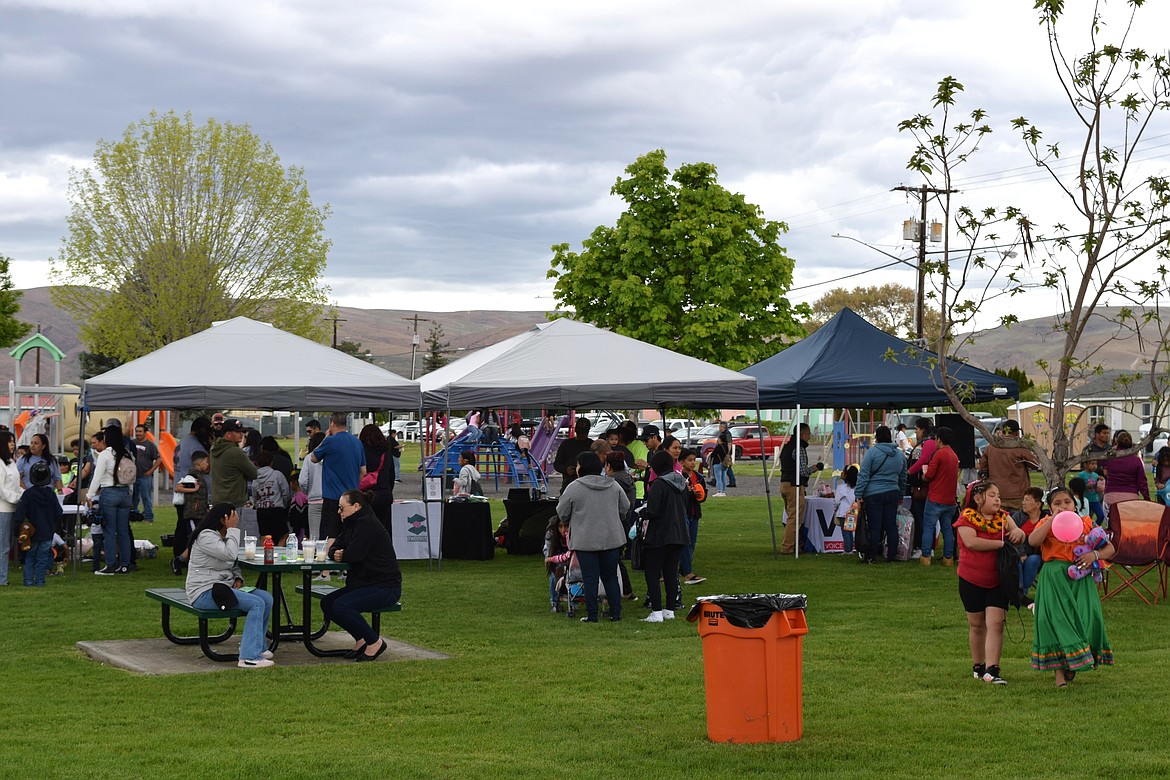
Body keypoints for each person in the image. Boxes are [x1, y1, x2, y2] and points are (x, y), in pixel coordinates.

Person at [1028, 486, 1114, 687]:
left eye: (1067, 502)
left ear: (1075, 505)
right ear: (1049, 508)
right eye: (1056, 503)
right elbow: (1032, 540)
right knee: (1057, 621)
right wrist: (1050, 521)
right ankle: (1059, 676)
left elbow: (1110, 548)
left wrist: (1095, 555)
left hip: (1080, 577)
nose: (1063, 506)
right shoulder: (1046, 523)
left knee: (1087, 617)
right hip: (1054, 578)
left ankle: (1074, 660)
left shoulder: (1086, 523)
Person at [185, 503, 276, 669]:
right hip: (204, 593)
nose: (237, 521)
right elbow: (230, 553)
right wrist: (233, 529)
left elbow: (231, 563)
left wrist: (238, 577)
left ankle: (257, 646)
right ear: (223, 519)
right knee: (256, 603)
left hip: (223, 588)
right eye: (233, 518)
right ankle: (249, 657)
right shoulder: (206, 536)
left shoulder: (223, 537)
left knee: (266, 598)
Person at [954, 480, 1026, 685]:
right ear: (977, 499)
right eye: (992, 495)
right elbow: (971, 542)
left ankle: (992, 669)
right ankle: (978, 665)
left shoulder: (1003, 517)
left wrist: (1018, 534)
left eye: (998, 496)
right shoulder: (965, 519)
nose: (997, 499)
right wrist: (1002, 543)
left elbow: (1020, 533)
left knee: (996, 623)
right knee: (976, 625)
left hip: (999, 579)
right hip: (971, 579)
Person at [324, 489, 402, 661]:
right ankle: (361, 639)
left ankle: (374, 642)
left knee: (341, 606)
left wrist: (341, 553)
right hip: (364, 583)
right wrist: (336, 552)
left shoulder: (367, 524)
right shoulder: (352, 523)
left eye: (342, 508)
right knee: (328, 603)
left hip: (384, 587)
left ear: (356, 506)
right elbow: (335, 547)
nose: (339, 512)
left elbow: (354, 555)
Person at [556, 451, 629, 623]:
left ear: (583, 467)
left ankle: (592, 615)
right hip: (611, 538)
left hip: (585, 540)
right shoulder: (613, 485)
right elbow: (625, 507)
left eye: (578, 464)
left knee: (590, 578)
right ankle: (615, 613)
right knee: (611, 576)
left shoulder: (574, 487)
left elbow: (562, 512)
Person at [640, 450, 690, 622]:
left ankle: (656, 611)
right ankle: (670, 609)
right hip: (679, 534)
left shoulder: (659, 485)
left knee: (652, 573)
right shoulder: (681, 483)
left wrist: (643, 512)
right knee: (671, 573)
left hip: (659, 534)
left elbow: (653, 511)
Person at [309, 413, 366, 545]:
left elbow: (313, 458)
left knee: (330, 533)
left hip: (332, 497)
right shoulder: (357, 442)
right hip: (352, 497)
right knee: (348, 532)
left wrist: (325, 437)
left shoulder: (330, 441)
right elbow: (363, 471)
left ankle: (329, 564)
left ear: (332, 424)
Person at [853, 425, 907, 564]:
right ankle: (892, 556)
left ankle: (871, 556)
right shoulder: (900, 454)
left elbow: (863, 475)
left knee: (874, 526)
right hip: (892, 492)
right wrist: (901, 493)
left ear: (877, 437)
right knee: (891, 526)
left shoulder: (872, 453)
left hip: (873, 494)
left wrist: (858, 493)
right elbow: (902, 477)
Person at [90, 424, 135, 575]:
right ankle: (125, 564)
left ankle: (110, 564)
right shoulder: (127, 454)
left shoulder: (105, 455)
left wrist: (89, 496)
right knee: (123, 531)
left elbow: (97, 478)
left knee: (109, 530)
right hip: (125, 493)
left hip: (109, 492)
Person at [14, 461, 63, 586]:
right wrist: (52, 525)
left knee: (30, 557)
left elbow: (19, 514)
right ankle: (40, 581)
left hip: (32, 533)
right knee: (43, 558)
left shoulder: (28, 494)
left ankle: (28, 581)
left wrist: (17, 531)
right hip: (47, 532)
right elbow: (59, 512)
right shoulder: (51, 494)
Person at [780, 423, 824, 556]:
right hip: (795, 485)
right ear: (803, 434)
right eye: (808, 433)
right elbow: (803, 471)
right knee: (795, 518)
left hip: (785, 483)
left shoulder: (787, 446)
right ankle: (787, 547)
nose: (809, 436)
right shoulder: (799, 448)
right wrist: (816, 467)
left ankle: (795, 545)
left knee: (791, 517)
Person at [921, 426, 960, 567]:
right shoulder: (954, 456)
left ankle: (925, 557)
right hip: (949, 499)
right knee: (947, 529)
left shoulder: (939, 454)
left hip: (935, 498)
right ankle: (948, 558)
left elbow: (929, 475)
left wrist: (924, 475)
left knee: (928, 527)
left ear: (939, 439)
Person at [979, 419, 1039, 511]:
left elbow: (983, 466)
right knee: (1017, 522)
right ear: (1017, 432)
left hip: (997, 492)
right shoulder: (1019, 446)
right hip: (1018, 493)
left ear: (1003, 430)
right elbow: (1035, 464)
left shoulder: (991, 446)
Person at [171, 450, 211, 574]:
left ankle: (186, 561)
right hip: (193, 514)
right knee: (196, 540)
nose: (208, 465)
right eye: (206, 462)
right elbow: (178, 488)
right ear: (199, 463)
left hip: (199, 513)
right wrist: (194, 488)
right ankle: (180, 561)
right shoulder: (192, 476)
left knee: (198, 539)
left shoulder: (198, 476)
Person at [906, 417, 936, 559]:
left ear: (923, 429)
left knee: (922, 518)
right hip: (918, 485)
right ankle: (924, 546)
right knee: (921, 517)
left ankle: (925, 548)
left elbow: (924, 460)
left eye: (917, 429)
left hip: (922, 486)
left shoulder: (928, 442)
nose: (916, 432)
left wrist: (910, 471)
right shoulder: (925, 442)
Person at [210, 419, 258, 507]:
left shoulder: (214, 448)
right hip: (234, 502)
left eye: (242, 431)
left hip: (217, 500)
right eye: (237, 432)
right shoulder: (236, 452)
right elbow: (254, 474)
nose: (241, 434)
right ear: (228, 434)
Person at [678, 447, 707, 585]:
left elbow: (704, 495)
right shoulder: (679, 476)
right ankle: (687, 571)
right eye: (689, 460)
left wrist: (700, 494)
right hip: (684, 512)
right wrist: (689, 492)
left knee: (692, 542)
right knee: (685, 542)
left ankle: (685, 567)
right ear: (682, 462)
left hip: (695, 513)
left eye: (694, 460)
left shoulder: (698, 477)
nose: (692, 463)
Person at [358, 423, 394, 530]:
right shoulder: (386, 449)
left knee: (367, 529)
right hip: (385, 493)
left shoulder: (362, 449)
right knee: (384, 528)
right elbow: (391, 474)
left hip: (367, 494)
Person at [1011, 486, 1047, 594]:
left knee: (1033, 560)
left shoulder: (1046, 519)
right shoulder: (1018, 517)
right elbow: (1011, 536)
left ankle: (1023, 591)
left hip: (1038, 554)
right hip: (1017, 552)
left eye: (1027, 500)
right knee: (1016, 561)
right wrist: (1021, 553)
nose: (1023, 503)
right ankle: (1019, 592)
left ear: (1038, 504)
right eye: (1023, 500)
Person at [0, 430, 24, 585]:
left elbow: (16, 485)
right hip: (3, 509)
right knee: (3, 546)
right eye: (9, 441)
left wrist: (25, 494)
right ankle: (2, 579)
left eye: (13, 441)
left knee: (7, 545)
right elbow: (2, 490)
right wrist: (18, 497)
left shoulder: (11, 462)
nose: (13, 444)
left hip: (13, 507)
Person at [251, 450, 290, 545]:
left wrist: (257, 505)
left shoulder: (255, 478)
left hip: (262, 510)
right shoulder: (277, 474)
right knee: (283, 535)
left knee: (264, 536)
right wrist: (285, 504)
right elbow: (286, 493)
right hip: (276, 509)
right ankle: (279, 553)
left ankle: (265, 555)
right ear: (271, 462)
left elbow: (254, 496)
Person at [1100, 429, 1149, 502]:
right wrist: (1146, 497)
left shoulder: (1110, 458)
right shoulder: (1136, 461)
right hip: (1130, 496)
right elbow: (1142, 482)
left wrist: (1112, 450)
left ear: (1117, 443)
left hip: (1111, 495)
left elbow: (1101, 464)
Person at [128, 424, 162, 523]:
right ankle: (133, 515)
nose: (138, 433)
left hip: (144, 476)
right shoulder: (131, 443)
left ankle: (148, 516)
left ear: (145, 433)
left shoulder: (150, 445)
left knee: (146, 497)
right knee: (133, 497)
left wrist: (150, 471)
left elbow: (159, 459)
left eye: (140, 431)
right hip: (132, 476)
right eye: (136, 431)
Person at [552, 417, 593, 495]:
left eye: (584, 433)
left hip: (588, 483)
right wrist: (566, 469)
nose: (581, 435)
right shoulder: (566, 444)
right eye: (580, 432)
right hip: (569, 483)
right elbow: (557, 464)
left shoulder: (592, 445)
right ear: (576, 431)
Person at [300, 431, 326, 539]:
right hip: (331, 499)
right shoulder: (332, 456)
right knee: (330, 534)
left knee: (314, 535)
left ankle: (315, 555)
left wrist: (308, 491)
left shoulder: (309, 458)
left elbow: (302, 481)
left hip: (314, 500)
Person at [544, 515, 571, 612]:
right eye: (560, 527)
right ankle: (554, 601)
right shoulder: (551, 535)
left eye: (566, 526)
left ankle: (573, 601)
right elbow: (547, 551)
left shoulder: (572, 535)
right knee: (554, 575)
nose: (563, 530)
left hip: (570, 559)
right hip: (555, 558)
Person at [834, 464, 859, 554]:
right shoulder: (858, 487)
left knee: (845, 533)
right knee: (850, 531)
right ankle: (851, 548)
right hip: (853, 511)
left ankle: (848, 550)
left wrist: (835, 509)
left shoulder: (841, 487)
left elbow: (836, 501)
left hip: (843, 512)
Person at [1076, 459, 1106, 524]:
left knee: (1101, 515)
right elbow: (1078, 486)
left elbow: (1099, 487)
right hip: (1086, 500)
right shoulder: (1081, 475)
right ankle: (1087, 529)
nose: (1094, 466)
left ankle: (1094, 527)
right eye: (1092, 464)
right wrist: (1086, 486)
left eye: (1096, 464)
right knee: (1087, 517)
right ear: (1086, 465)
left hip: (1095, 499)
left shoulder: (1096, 475)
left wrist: (1101, 482)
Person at [708, 433, 730, 498]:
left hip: (718, 463)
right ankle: (723, 491)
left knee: (718, 478)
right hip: (725, 463)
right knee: (723, 478)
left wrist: (710, 454)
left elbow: (713, 454)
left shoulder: (718, 446)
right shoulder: (726, 446)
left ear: (720, 439)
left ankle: (719, 491)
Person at [717, 422, 737, 489]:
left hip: (725, 453)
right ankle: (731, 481)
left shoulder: (727, 434)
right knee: (723, 466)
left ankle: (732, 481)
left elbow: (729, 443)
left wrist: (727, 452)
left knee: (727, 466)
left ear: (723, 427)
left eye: (720, 426)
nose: (719, 428)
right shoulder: (722, 433)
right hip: (721, 452)